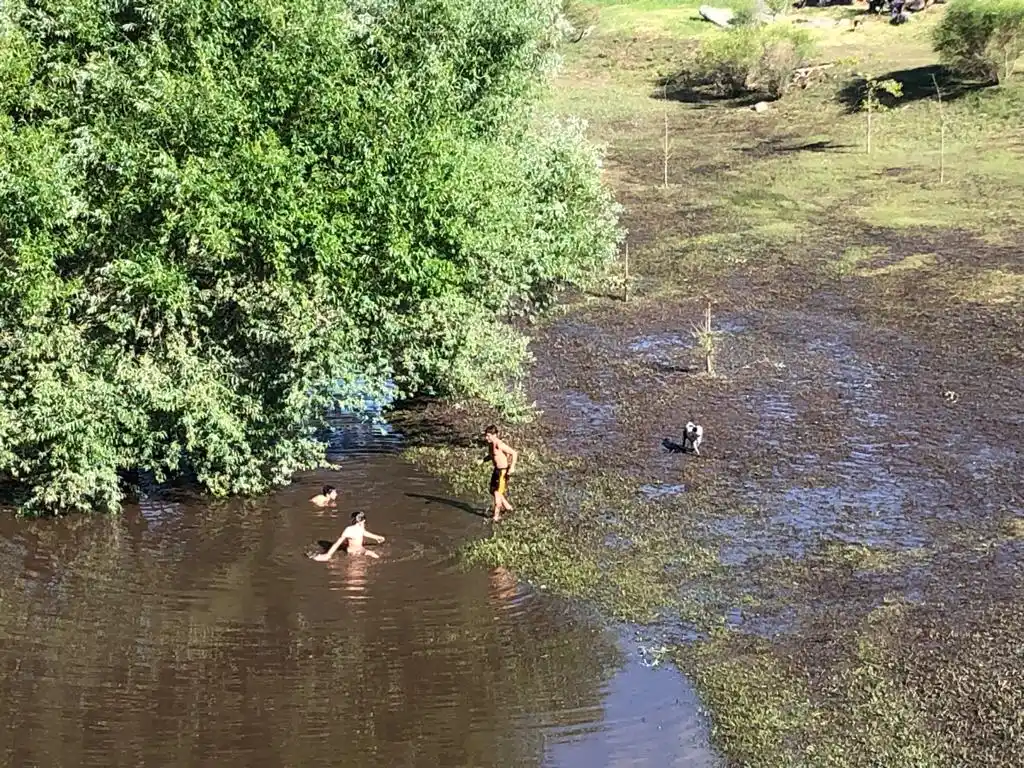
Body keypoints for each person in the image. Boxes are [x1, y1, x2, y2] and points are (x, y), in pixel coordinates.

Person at [312, 511, 385, 561]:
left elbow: (364, 533)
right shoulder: (349, 530)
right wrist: (328, 555)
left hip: (361, 550)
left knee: (376, 556)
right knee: (373, 556)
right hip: (354, 552)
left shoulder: (360, 527)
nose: (364, 523)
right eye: (363, 522)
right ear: (360, 521)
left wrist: (377, 537)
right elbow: (338, 542)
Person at [483, 424, 518, 522]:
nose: (486, 438)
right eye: (486, 436)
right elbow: (492, 455)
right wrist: (483, 460)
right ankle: (508, 507)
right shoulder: (491, 444)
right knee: (492, 490)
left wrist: (512, 467)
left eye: (489, 436)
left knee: (497, 494)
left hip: (503, 471)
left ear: (495, 435)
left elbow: (514, 453)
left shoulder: (500, 444)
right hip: (496, 470)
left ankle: (496, 517)